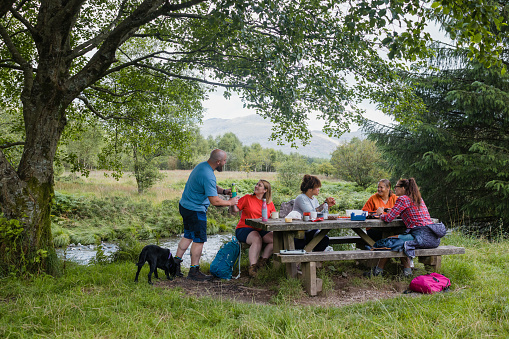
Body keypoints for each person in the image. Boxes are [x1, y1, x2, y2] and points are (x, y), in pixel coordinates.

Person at [174, 149, 239, 281]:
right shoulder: (208, 175)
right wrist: (230, 202)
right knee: (199, 240)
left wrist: (224, 191)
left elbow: (211, 186)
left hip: (185, 206)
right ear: (218, 161)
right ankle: (194, 271)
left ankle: (174, 265)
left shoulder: (202, 166)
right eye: (224, 161)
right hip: (195, 210)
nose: (225, 163)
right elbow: (214, 201)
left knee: (188, 235)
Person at [366, 178, 446, 278]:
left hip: (420, 237)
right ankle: (407, 273)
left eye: (396, 187)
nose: (394, 189)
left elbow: (388, 218)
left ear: (403, 188)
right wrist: (399, 213)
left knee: (388, 243)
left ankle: (377, 272)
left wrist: (380, 213)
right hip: (433, 238)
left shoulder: (402, 199)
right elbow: (413, 214)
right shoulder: (418, 198)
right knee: (399, 243)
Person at [232, 180, 275, 278]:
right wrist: (232, 200)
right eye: (256, 184)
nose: (256, 186)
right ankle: (252, 268)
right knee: (256, 238)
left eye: (259, 185)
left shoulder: (269, 203)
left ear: (265, 190)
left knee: (275, 239)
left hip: (260, 229)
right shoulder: (247, 198)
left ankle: (262, 262)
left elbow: (273, 216)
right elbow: (235, 209)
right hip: (244, 228)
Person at [292, 175, 336, 251]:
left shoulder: (314, 200)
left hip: (311, 229)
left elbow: (321, 215)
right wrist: (325, 203)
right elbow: (311, 213)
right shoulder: (301, 198)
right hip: (300, 230)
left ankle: (314, 260)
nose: (319, 189)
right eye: (317, 187)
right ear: (310, 189)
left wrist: (327, 206)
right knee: (301, 241)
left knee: (324, 239)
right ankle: (307, 260)